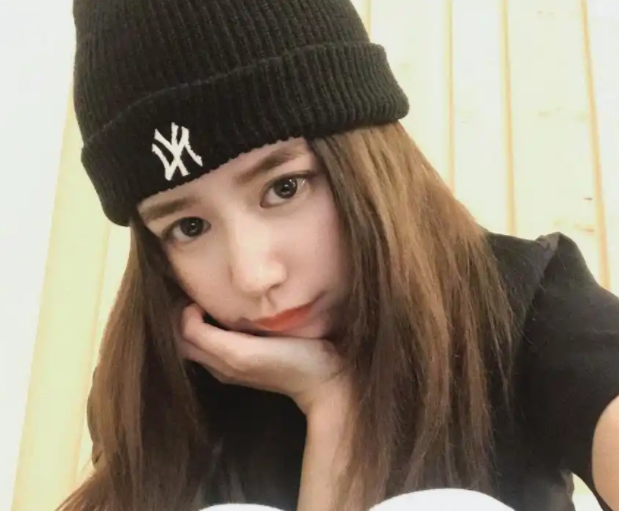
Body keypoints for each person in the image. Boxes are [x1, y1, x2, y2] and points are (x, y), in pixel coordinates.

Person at [61, 0, 619, 510]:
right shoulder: (152, 384)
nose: (254, 275)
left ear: (364, 159)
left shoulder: (526, 307)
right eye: (189, 227)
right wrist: (332, 404)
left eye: (284, 188)